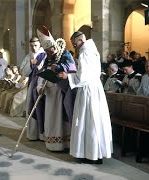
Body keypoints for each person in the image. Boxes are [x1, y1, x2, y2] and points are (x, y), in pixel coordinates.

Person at [60, 31, 113, 164]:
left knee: (88, 121)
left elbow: (83, 77)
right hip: (95, 89)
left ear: (81, 40)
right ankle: (94, 153)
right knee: (94, 121)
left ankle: (90, 154)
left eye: (75, 44)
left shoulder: (85, 52)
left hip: (88, 91)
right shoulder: (92, 49)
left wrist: (68, 76)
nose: (74, 47)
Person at [36, 26, 77, 151]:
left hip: (61, 91)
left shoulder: (65, 54)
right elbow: (42, 73)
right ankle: (52, 143)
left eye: (51, 49)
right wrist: (40, 87)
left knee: (61, 117)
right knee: (51, 117)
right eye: (48, 51)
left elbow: (72, 68)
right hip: (49, 92)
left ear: (55, 45)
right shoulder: (46, 58)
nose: (50, 52)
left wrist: (59, 68)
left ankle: (64, 144)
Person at [20, 37, 46, 141]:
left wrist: (40, 67)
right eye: (31, 46)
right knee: (31, 108)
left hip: (42, 85)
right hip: (32, 84)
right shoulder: (28, 56)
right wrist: (31, 64)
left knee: (41, 108)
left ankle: (42, 134)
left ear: (40, 44)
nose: (33, 48)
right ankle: (33, 133)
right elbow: (23, 71)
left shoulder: (45, 55)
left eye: (35, 45)